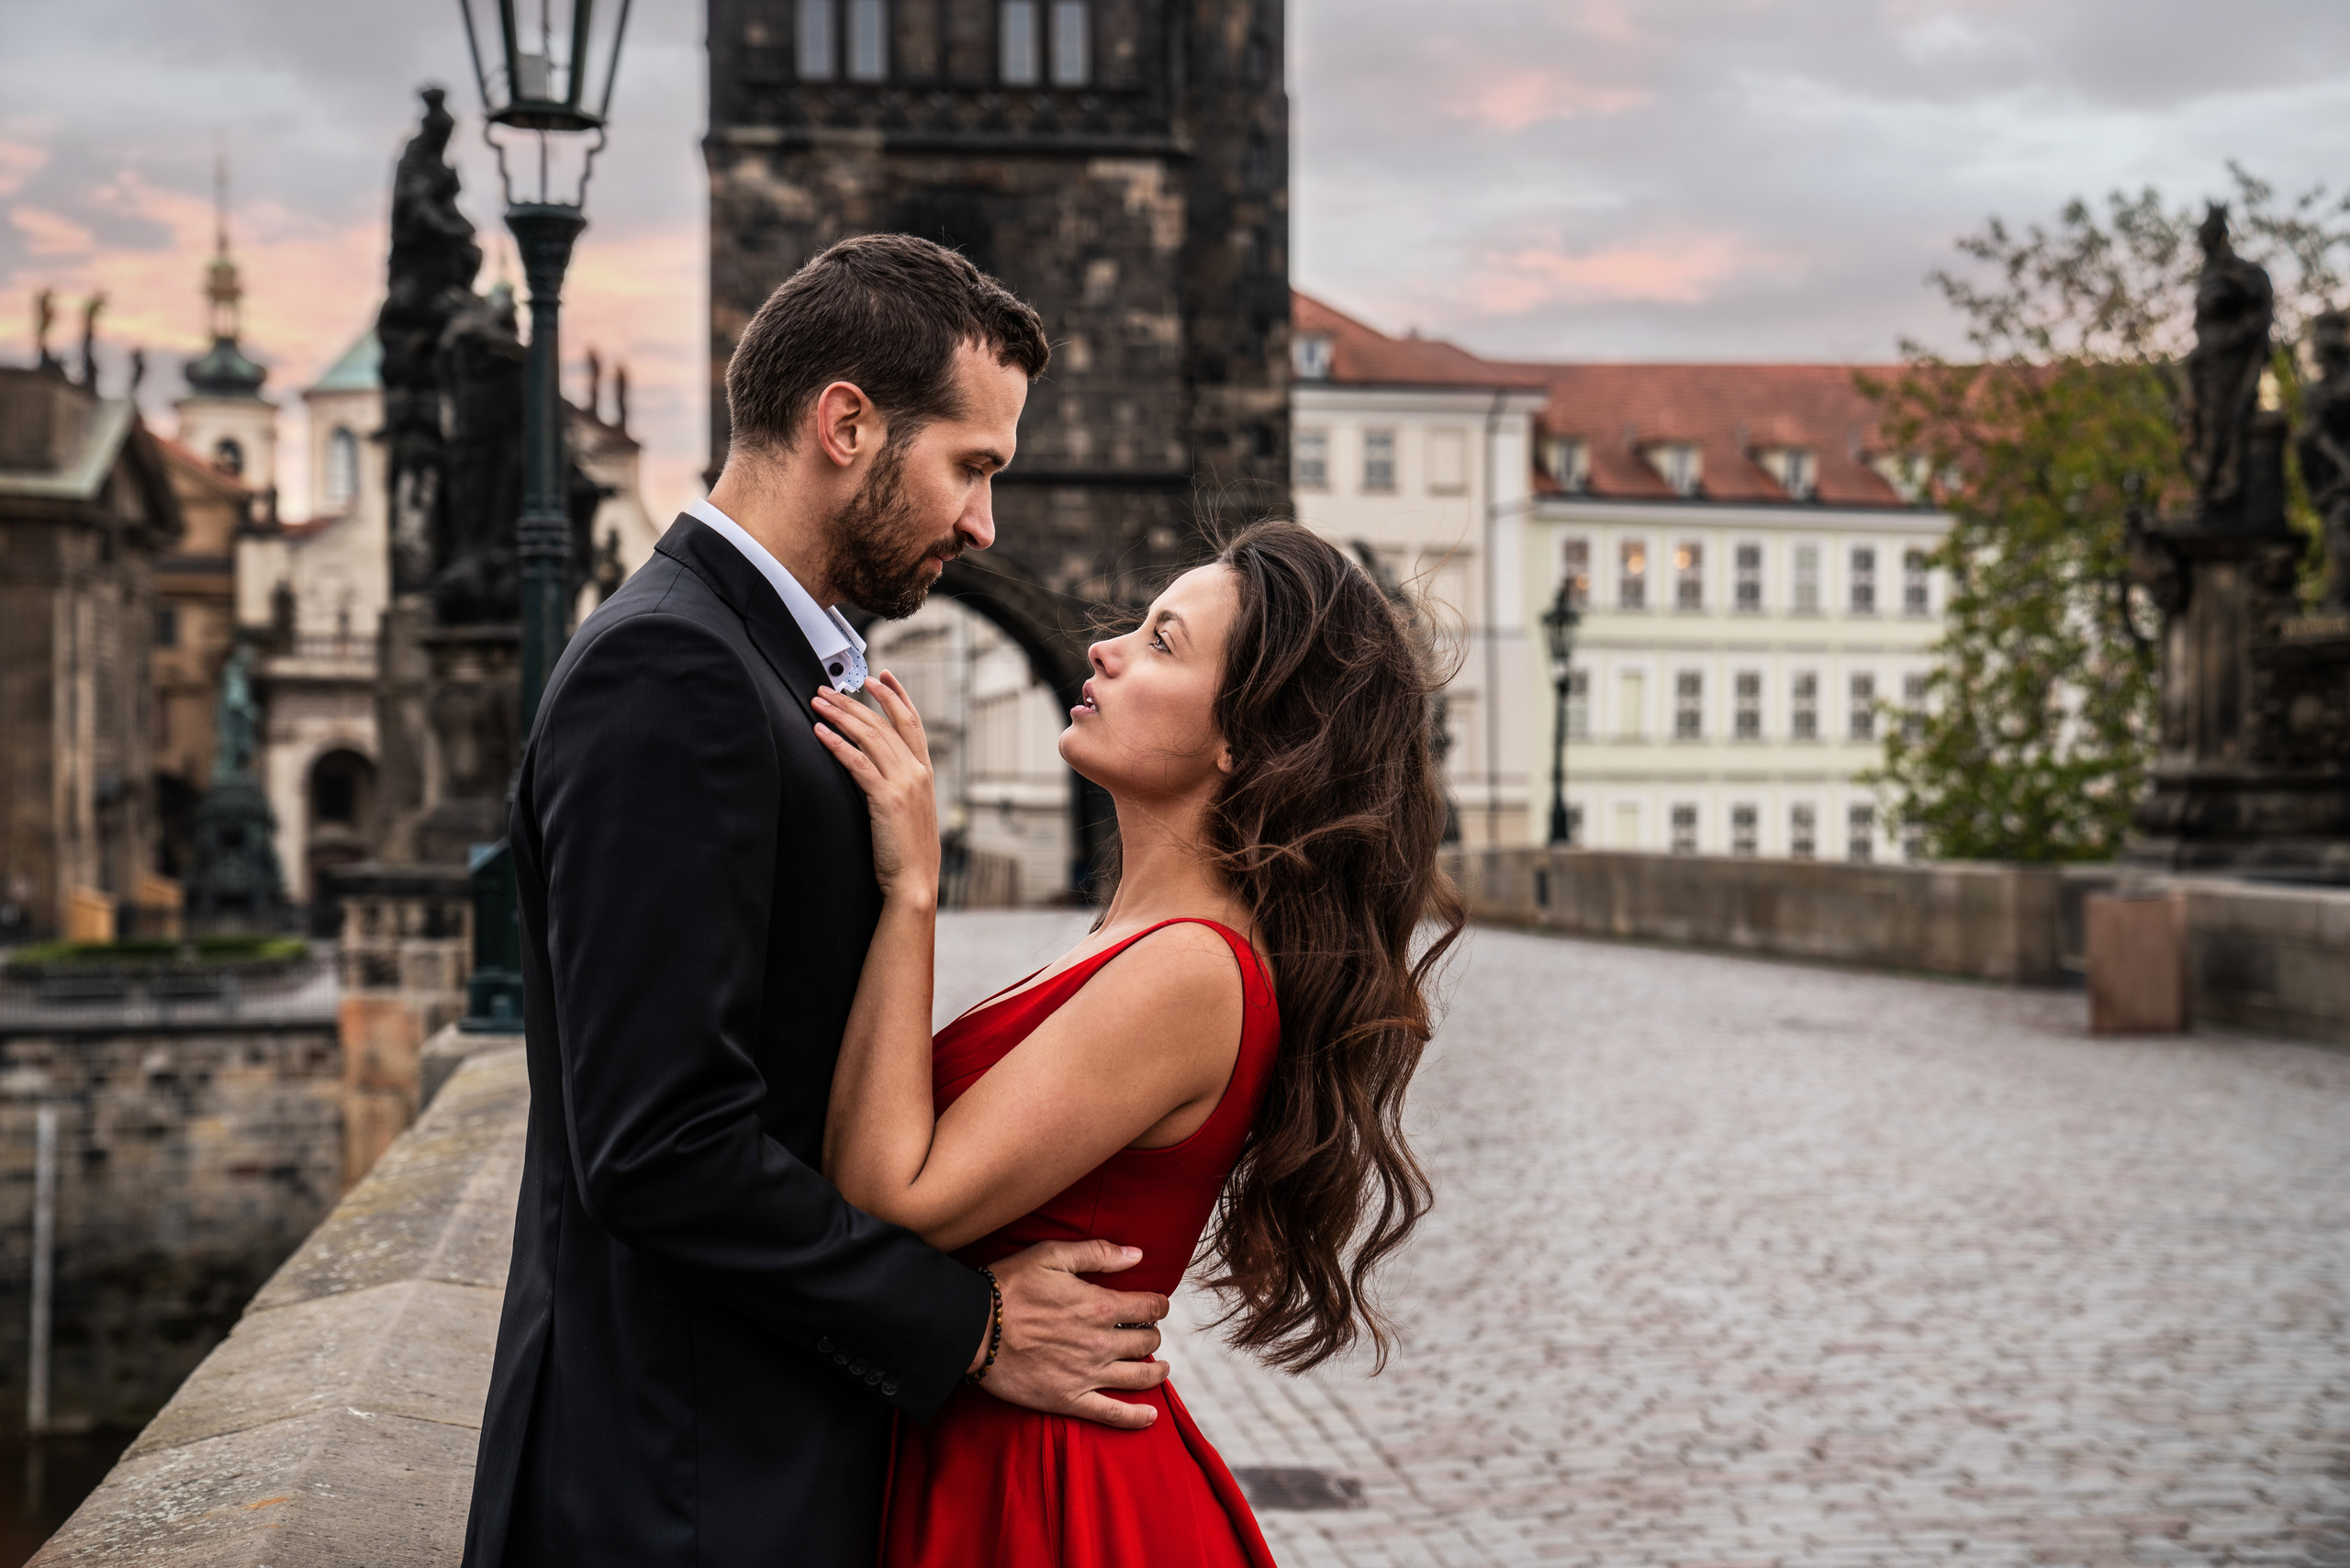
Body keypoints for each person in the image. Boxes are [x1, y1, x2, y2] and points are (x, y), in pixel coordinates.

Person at [463, 235, 1183, 1568]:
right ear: (845, 425)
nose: (983, 525)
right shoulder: (672, 671)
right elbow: (660, 1146)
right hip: (681, 1495)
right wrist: (966, 1325)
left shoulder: (756, 661)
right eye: (972, 466)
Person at [810, 517, 1466, 1563]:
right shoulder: (1143, 941)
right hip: (1004, 1449)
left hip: (1049, 1491)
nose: (1103, 649)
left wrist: (913, 890)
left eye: (1162, 642)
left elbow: (887, 1198)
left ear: (1242, 739)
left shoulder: (1191, 970)